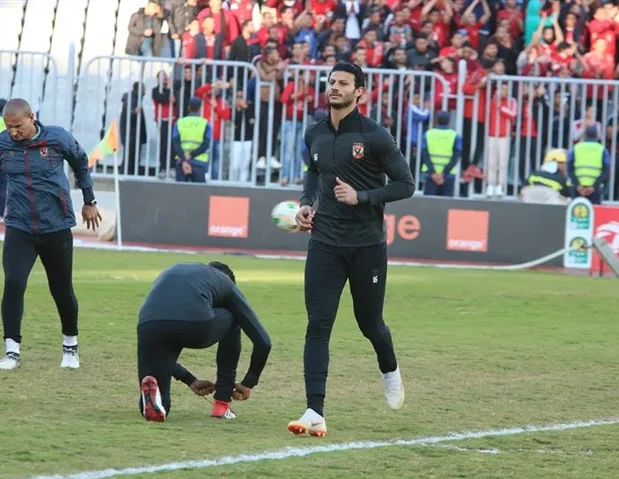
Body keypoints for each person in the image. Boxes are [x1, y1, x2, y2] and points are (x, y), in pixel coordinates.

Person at [288, 62, 415, 437]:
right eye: (331, 82)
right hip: (324, 243)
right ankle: (314, 411)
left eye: (343, 83)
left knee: (369, 324)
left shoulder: (375, 136)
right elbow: (314, 171)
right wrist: (306, 203)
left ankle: (390, 370)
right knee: (318, 325)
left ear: (359, 92)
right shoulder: (314, 133)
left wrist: (362, 197)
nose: (334, 87)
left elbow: (405, 184)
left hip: (366, 247)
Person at [0, 98, 101, 371]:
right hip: (19, 226)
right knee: (13, 283)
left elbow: (80, 162)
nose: (13, 132)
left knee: (61, 289)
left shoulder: (57, 138)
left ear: (31, 117)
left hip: (56, 226)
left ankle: (70, 347)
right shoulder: (2, 144)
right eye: (8, 126)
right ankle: (12, 351)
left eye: (17, 126)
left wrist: (89, 200)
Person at [137, 261, 272, 422]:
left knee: (157, 364)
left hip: (149, 322)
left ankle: (157, 403)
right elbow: (263, 342)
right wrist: (249, 382)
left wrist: (189, 379)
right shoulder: (226, 283)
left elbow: (156, 357)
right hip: (195, 324)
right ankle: (222, 404)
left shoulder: (179, 272)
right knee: (234, 317)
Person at [421, 111, 461, 197]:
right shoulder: (455, 136)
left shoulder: (428, 134)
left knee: (429, 203)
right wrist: (443, 174)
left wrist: (433, 174)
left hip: (430, 175)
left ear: (436, 120)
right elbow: (456, 157)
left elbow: (424, 155)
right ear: (449, 121)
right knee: (447, 203)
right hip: (448, 175)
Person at [172, 97, 212, 183]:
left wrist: (184, 159)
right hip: (199, 162)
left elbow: (175, 144)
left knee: (180, 190)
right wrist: (191, 155)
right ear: (200, 108)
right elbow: (206, 145)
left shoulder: (179, 122)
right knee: (198, 191)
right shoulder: (205, 123)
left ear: (188, 107)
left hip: (182, 162)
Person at [567, 125, 610, 205]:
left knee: (576, 211)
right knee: (594, 211)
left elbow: (569, 169)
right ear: (597, 136)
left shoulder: (575, 148)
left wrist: (578, 185)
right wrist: (593, 186)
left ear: (584, 136)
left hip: (578, 189)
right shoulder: (602, 150)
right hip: (595, 189)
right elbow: (605, 171)